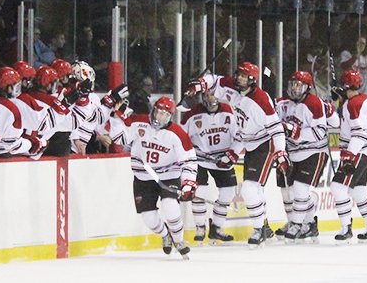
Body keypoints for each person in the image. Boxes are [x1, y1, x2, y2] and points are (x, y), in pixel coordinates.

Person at [187, 61, 288, 245]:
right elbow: (215, 81)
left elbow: (277, 129)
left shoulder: (261, 100)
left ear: (252, 79)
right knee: (255, 189)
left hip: (264, 146)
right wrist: (199, 84)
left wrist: (280, 152)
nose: (239, 78)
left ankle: (259, 229)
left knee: (249, 188)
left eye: (243, 75)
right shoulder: (233, 89)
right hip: (248, 144)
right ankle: (263, 226)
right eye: (238, 74)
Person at [118, 97, 195, 258]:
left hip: (169, 175)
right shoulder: (139, 122)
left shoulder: (178, 134)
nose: (160, 118)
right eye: (158, 112)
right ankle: (165, 235)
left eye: (165, 115)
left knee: (170, 206)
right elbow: (121, 136)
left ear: (171, 117)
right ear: (153, 110)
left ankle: (179, 240)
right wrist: (116, 112)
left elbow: (189, 160)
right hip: (143, 176)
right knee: (149, 218)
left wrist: (188, 183)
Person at [274, 70, 336, 242]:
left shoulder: (314, 103)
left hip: (313, 152)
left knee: (300, 189)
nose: (294, 88)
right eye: (292, 84)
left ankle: (297, 224)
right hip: (291, 152)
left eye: (298, 85)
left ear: (307, 88)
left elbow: (320, 132)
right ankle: (306, 224)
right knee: (287, 192)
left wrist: (295, 131)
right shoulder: (282, 103)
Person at [180, 79, 240, 244]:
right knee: (200, 193)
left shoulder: (229, 112)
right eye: (207, 94)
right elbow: (180, 138)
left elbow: (239, 136)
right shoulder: (192, 115)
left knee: (227, 193)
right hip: (200, 159)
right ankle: (200, 228)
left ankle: (217, 228)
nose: (210, 97)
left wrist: (232, 154)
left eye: (213, 94)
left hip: (223, 158)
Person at [332, 69, 367, 243]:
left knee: (338, 187)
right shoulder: (358, 100)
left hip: (359, 151)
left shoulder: (353, 104)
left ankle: (346, 228)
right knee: (357, 189)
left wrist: (349, 155)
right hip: (366, 150)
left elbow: (359, 133)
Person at [0, 66, 46, 157]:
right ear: (9, 87)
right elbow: (12, 146)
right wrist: (31, 143)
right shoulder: (12, 110)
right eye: (16, 86)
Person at [27, 65, 73, 156]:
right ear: (48, 85)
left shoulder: (27, 95)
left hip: (25, 142)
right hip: (36, 146)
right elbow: (71, 124)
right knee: (64, 145)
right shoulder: (51, 101)